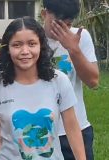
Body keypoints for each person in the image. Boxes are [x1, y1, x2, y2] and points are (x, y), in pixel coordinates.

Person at [0, 16, 86, 159]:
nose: (25, 51)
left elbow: (72, 127)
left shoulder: (58, 81)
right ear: (7, 49)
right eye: (17, 45)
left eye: (32, 44)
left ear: (41, 46)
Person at [41, 0, 99, 159]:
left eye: (67, 24)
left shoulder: (81, 37)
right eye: (56, 24)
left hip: (76, 129)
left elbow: (93, 81)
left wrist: (73, 49)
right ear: (44, 14)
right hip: (41, 131)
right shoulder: (31, 41)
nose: (62, 30)